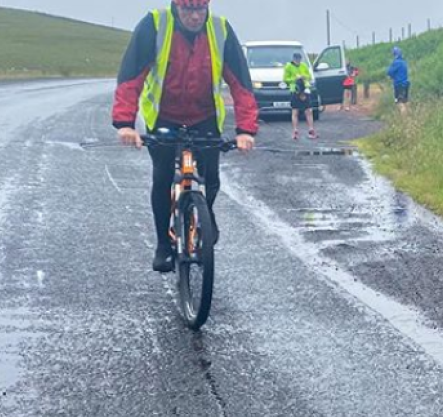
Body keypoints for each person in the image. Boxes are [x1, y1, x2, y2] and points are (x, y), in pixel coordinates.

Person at [113, 0, 257, 273]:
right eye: (187, 10)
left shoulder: (220, 29)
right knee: (163, 176)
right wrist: (125, 124)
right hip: (164, 116)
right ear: (176, 7)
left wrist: (245, 130)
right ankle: (163, 246)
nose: (194, 16)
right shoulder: (155, 25)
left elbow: (241, 83)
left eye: (200, 10)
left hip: (204, 117)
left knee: (211, 177)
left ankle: (205, 213)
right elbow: (131, 76)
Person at [284, 52, 317, 140]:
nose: (298, 61)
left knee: (308, 110)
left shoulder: (304, 66)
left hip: (305, 89)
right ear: (293, 59)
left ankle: (311, 129)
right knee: (295, 111)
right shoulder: (288, 66)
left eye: (299, 59)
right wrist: (294, 79)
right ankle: (295, 131)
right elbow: (285, 79)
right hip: (295, 90)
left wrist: (304, 76)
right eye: (296, 59)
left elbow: (309, 77)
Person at [386, 46, 410, 113]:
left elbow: (389, 72)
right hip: (406, 84)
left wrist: (391, 76)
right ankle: (409, 117)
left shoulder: (396, 62)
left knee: (399, 102)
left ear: (394, 54)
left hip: (399, 84)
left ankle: (404, 119)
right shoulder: (404, 62)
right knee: (405, 101)